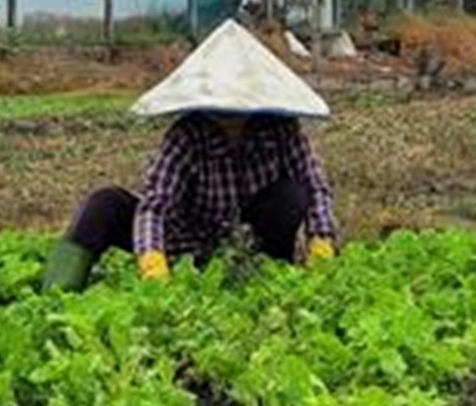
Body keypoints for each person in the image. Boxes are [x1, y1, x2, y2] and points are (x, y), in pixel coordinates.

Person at [42, 21, 340, 292]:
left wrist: (322, 241)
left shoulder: (282, 130)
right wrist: (152, 262)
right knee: (104, 204)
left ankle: (270, 275)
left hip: (248, 239)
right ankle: (58, 292)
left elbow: (315, 187)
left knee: (291, 195)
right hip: (185, 242)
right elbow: (155, 205)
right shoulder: (187, 136)